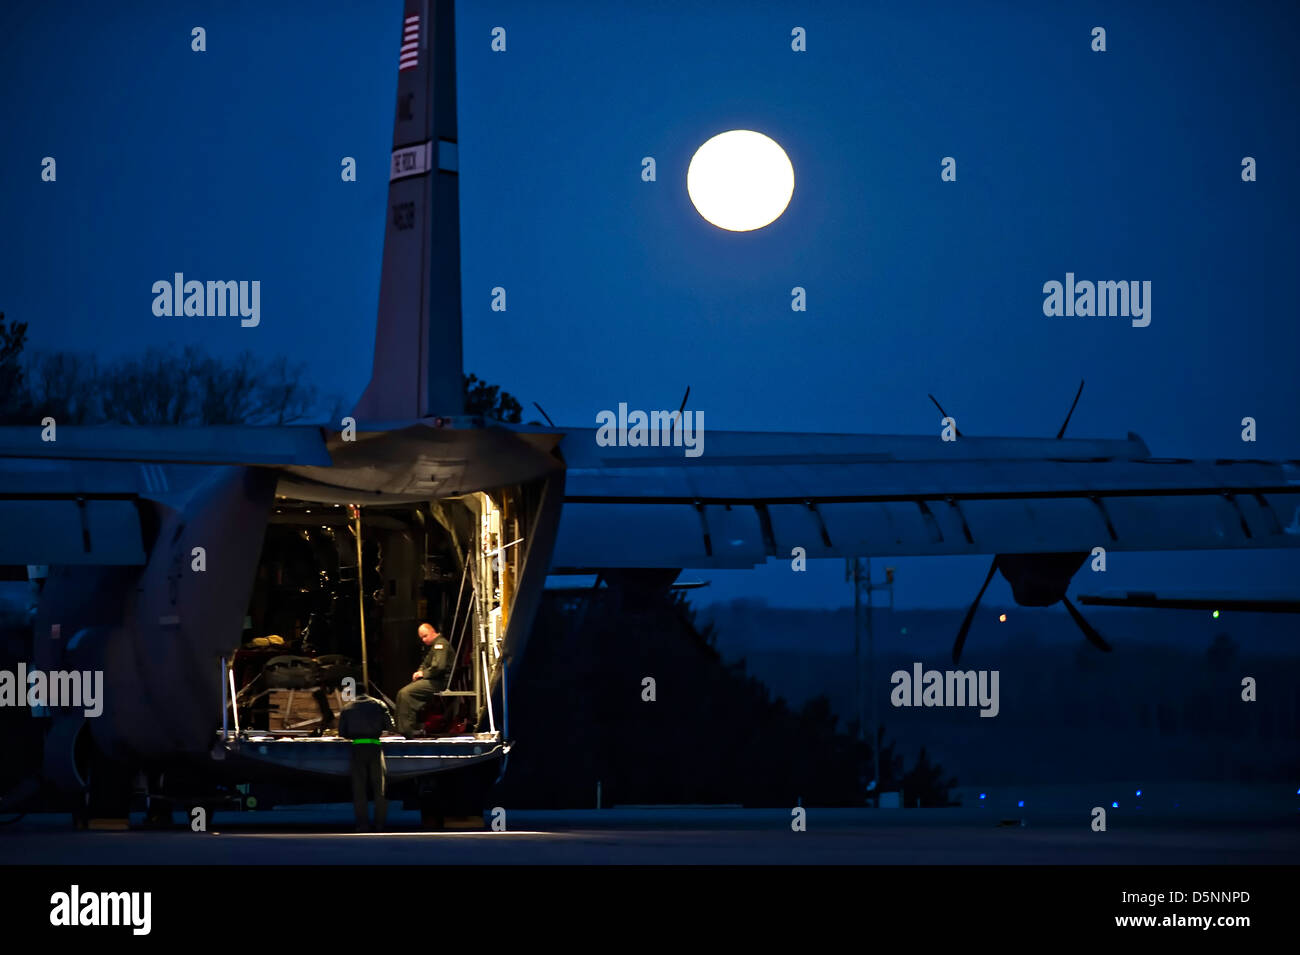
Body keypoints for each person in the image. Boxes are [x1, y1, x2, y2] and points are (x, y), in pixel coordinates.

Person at [337, 694, 394, 831]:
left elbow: (342, 732)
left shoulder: (347, 708)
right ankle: (380, 824)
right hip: (374, 747)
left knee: (359, 789)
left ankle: (362, 825)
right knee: (379, 788)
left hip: (357, 748)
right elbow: (390, 726)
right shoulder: (379, 704)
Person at [395, 622, 453, 737]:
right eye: (421, 638)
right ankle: (404, 727)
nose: (423, 640)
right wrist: (420, 672)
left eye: (425, 636)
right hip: (434, 679)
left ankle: (407, 729)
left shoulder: (440, 645)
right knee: (403, 692)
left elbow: (439, 667)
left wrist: (423, 673)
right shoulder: (434, 647)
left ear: (432, 632)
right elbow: (426, 663)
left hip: (440, 681)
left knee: (406, 693)